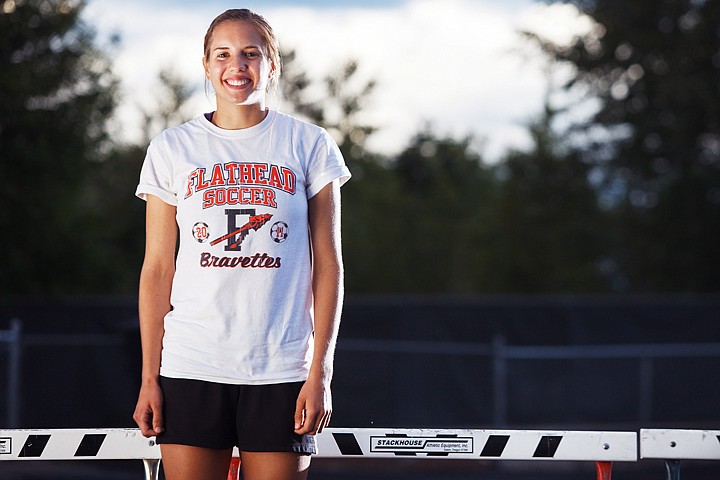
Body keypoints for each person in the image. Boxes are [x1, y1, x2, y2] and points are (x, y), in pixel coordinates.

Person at [132, 8, 351, 480]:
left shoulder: (308, 144)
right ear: (208, 65)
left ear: (272, 64)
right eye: (223, 54)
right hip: (192, 363)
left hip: (282, 368)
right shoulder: (172, 148)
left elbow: (328, 265)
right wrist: (150, 376)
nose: (238, 65)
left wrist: (321, 373)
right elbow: (157, 270)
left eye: (251, 54)